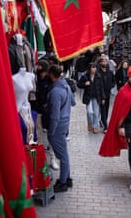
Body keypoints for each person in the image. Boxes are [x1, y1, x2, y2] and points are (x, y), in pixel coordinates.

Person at [47, 64, 75, 192]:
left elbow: (54, 115)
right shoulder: (66, 87)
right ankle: (67, 178)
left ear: (52, 75)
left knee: (62, 155)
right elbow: (73, 102)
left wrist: (50, 132)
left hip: (58, 126)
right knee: (64, 153)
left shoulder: (55, 92)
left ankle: (63, 182)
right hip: (65, 122)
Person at [31, 60, 60, 170]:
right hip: (38, 109)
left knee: (51, 135)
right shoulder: (35, 78)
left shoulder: (50, 80)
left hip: (48, 110)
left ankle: (53, 159)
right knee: (38, 135)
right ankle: (40, 158)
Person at [77, 62, 105, 134]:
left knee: (96, 112)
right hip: (88, 96)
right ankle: (90, 123)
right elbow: (79, 84)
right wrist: (85, 84)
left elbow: (101, 87)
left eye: (95, 67)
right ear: (89, 68)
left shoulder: (98, 76)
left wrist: (103, 98)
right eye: (92, 67)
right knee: (89, 112)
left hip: (96, 97)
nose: (94, 69)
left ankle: (95, 126)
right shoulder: (85, 76)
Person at [12, 67, 37, 144]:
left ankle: (31, 153)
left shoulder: (31, 76)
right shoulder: (13, 79)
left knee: (31, 129)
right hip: (18, 107)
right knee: (22, 130)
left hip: (27, 107)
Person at [97, 57, 116, 133]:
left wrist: (111, 86)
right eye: (103, 61)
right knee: (103, 109)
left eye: (106, 61)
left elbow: (113, 80)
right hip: (101, 93)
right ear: (100, 63)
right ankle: (105, 126)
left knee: (107, 108)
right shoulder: (98, 72)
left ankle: (103, 120)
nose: (105, 63)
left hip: (107, 93)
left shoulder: (110, 72)